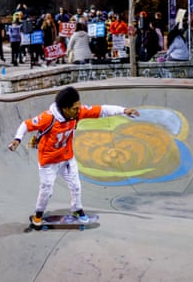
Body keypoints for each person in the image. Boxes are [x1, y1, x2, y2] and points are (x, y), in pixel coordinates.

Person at [8, 86, 139, 226]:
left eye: (79, 107)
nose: (78, 111)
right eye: (75, 109)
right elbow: (26, 125)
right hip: (48, 161)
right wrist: (17, 139)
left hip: (67, 158)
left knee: (76, 186)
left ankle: (77, 209)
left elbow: (102, 110)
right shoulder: (48, 118)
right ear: (65, 108)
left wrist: (124, 110)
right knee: (46, 190)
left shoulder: (77, 113)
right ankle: (38, 215)